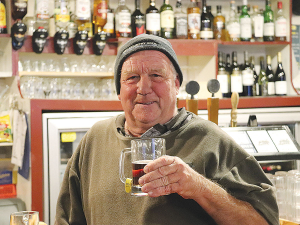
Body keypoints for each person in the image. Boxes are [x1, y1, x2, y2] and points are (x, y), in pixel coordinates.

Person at [55, 34, 279, 225]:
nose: (144, 88)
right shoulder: (95, 139)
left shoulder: (210, 140)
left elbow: (264, 221)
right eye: (132, 78)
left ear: (176, 84)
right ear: (119, 91)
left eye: (156, 75)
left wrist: (200, 187)